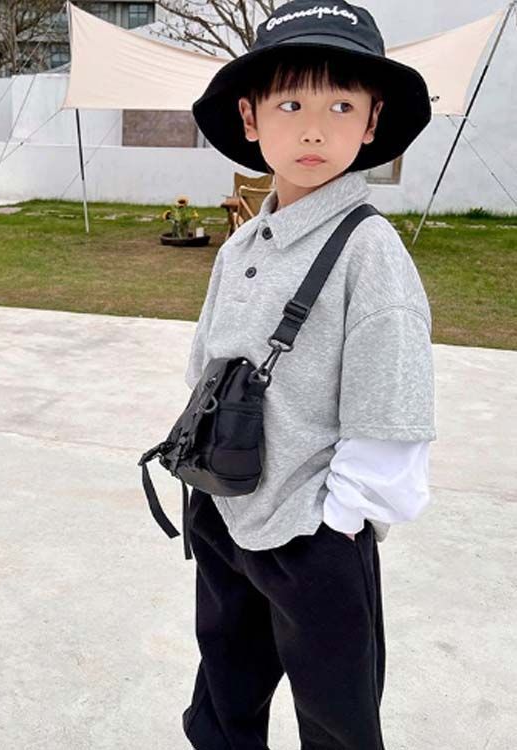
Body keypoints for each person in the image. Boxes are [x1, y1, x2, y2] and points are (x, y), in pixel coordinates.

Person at [181, 1, 437, 748]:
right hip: (225, 507)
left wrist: (337, 522)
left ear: (373, 120)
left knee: (336, 720)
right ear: (251, 118)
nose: (315, 130)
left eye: (341, 106)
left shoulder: (370, 249)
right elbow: (202, 365)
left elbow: (390, 411)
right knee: (223, 694)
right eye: (291, 104)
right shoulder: (242, 243)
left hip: (312, 536)